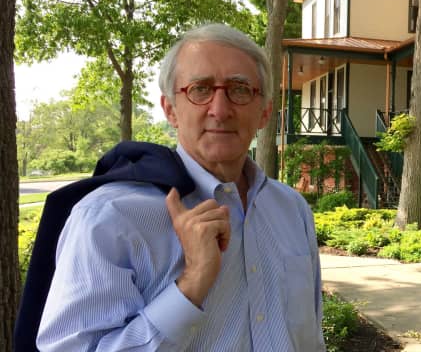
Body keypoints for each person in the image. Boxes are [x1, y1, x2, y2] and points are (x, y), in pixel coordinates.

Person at [36, 23, 326, 351]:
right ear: (170, 110)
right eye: (200, 89)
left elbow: (311, 337)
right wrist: (191, 283)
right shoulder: (111, 218)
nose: (220, 110)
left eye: (240, 89)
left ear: (265, 112)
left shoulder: (292, 209)